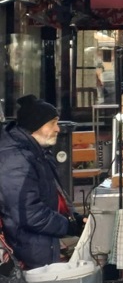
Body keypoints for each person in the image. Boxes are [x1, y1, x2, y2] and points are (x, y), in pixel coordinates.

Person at [0, 95, 84, 269]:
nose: (58, 129)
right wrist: (67, 226)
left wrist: (73, 218)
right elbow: (29, 214)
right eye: (52, 123)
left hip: (36, 246)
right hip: (25, 251)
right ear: (35, 125)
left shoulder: (37, 151)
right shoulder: (15, 159)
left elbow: (53, 194)